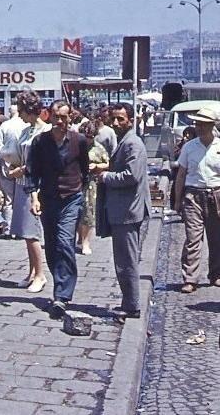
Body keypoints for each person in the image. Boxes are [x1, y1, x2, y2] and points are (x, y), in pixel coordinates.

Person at [26, 100, 90, 319]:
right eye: (55, 117)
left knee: (65, 242)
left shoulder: (79, 141)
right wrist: (34, 198)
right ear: (49, 117)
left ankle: (62, 296)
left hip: (71, 197)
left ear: (69, 118)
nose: (59, 121)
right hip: (48, 198)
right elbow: (32, 173)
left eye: (63, 117)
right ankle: (59, 283)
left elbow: (84, 170)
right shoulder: (39, 142)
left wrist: (81, 194)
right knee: (52, 247)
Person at [95, 102, 150, 323]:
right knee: (124, 259)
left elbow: (131, 176)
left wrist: (106, 177)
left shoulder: (133, 144)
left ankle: (132, 305)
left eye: (121, 119)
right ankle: (129, 302)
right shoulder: (125, 142)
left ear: (130, 119)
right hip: (124, 209)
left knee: (126, 261)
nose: (116, 123)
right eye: (114, 119)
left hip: (127, 211)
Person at [172, 107, 220, 293]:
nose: (198, 127)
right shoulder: (189, 147)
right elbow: (181, 174)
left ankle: (216, 274)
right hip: (193, 195)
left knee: (216, 237)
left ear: (211, 125)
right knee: (193, 238)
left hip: (216, 194)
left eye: (202, 124)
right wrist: (177, 201)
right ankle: (190, 278)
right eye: (197, 124)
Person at [8, 91, 50, 292]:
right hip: (22, 184)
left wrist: (23, 169)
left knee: (32, 231)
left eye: (22, 111)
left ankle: (41, 275)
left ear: (30, 111)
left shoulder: (45, 132)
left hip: (36, 186)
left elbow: (41, 162)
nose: (20, 115)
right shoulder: (26, 131)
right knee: (25, 232)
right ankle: (32, 271)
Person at [0, 103, 28, 235]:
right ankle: (21, 228)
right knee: (22, 198)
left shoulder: (5, 126)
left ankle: (8, 230)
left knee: (9, 199)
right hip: (23, 165)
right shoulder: (26, 125)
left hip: (6, 165)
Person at [76, 121, 109, 256]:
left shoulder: (98, 148)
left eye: (91, 137)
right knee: (76, 213)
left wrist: (96, 166)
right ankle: (79, 237)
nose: (88, 140)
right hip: (75, 182)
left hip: (91, 184)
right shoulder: (75, 146)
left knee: (88, 214)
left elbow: (107, 163)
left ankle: (86, 242)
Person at [169, 126, 197, 209]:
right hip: (179, 172)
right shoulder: (181, 144)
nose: (187, 136)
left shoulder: (196, 145)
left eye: (189, 134)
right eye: (186, 134)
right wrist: (184, 145)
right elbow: (175, 155)